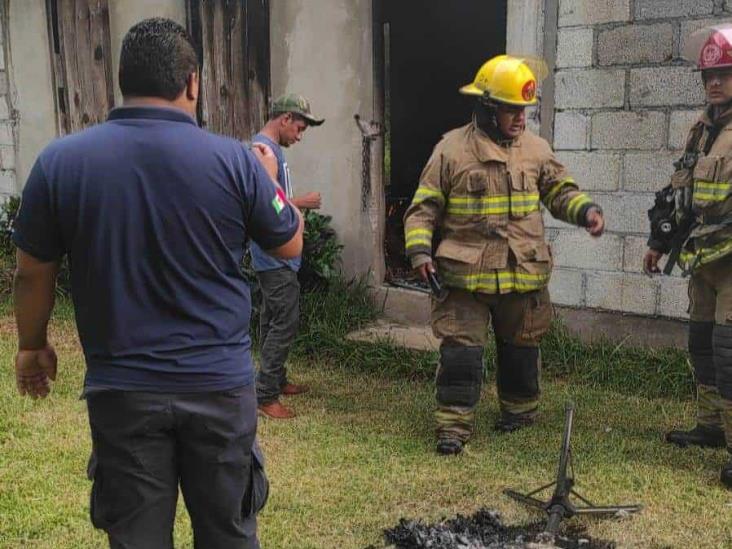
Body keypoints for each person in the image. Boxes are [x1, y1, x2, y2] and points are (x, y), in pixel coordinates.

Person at [12, 17, 303, 548]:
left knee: (137, 538)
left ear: (122, 79)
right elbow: (289, 243)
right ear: (191, 82)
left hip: (122, 393)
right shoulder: (237, 162)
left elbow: (31, 270)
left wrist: (32, 346)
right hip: (218, 389)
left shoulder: (61, 161)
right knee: (228, 534)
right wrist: (269, 180)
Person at [403, 54, 605, 455]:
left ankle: (520, 414)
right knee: (461, 352)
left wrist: (586, 211)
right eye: (511, 110)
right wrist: (420, 253)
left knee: (522, 349)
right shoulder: (451, 151)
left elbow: (559, 190)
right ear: (487, 108)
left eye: (524, 110)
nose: (520, 119)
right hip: (465, 279)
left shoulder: (536, 149)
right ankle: (454, 427)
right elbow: (423, 208)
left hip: (521, 273)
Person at [645, 25, 732, 488]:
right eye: (709, 75)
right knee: (702, 346)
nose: (714, 83)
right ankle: (711, 426)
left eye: (724, 73)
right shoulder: (701, 130)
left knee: (729, 353)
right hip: (704, 263)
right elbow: (680, 189)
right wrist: (659, 242)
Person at [250, 94, 324, 420]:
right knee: (284, 321)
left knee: (271, 318)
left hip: (276, 254)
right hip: (274, 255)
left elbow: (273, 196)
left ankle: (275, 380)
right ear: (285, 119)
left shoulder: (270, 149)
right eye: (300, 127)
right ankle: (265, 396)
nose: (300, 135)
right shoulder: (262, 151)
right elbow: (267, 202)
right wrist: (301, 205)